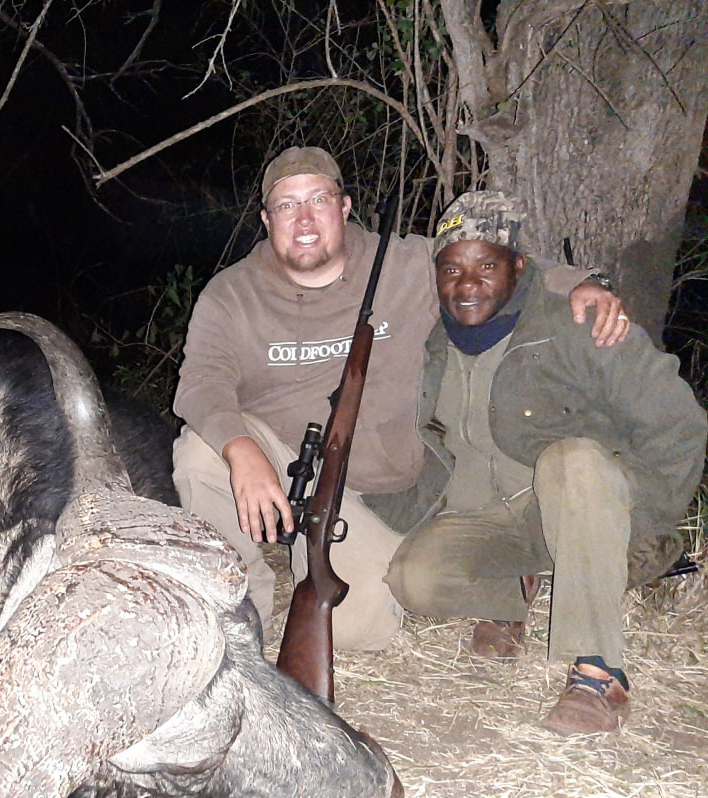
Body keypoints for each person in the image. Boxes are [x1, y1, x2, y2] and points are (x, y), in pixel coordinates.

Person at [172, 146, 629, 651]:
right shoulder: (231, 293)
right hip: (288, 464)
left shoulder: (404, 264)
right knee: (200, 450)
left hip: (391, 490)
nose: (304, 218)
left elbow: (494, 268)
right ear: (266, 219)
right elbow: (200, 384)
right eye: (287, 205)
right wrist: (242, 451)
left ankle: (484, 572)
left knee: (353, 630)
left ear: (344, 208)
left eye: (318, 199)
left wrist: (589, 284)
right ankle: (232, 611)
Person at [380, 191, 705, 734]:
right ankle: (513, 590)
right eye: (452, 269)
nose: (467, 284)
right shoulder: (431, 340)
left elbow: (680, 424)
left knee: (571, 460)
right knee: (415, 579)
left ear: (520, 266)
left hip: (582, 501)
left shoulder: (580, 321)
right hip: (498, 519)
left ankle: (600, 673)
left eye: (487, 265)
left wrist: (642, 522)